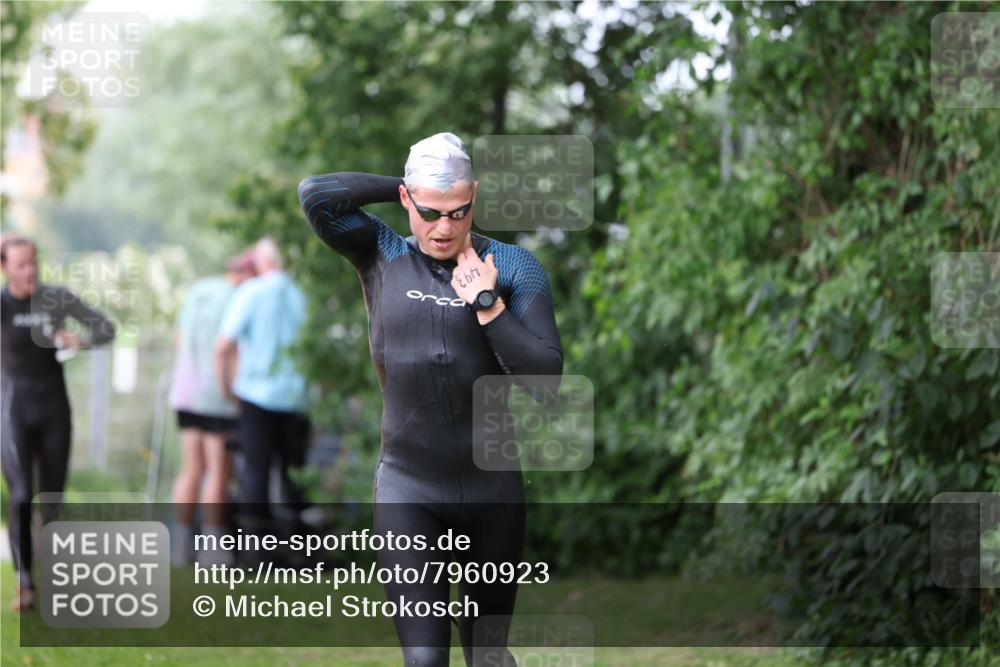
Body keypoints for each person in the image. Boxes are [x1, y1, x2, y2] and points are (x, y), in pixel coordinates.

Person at [297, 132, 563, 667]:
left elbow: (546, 381)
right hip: (408, 487)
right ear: (406, 200)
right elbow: (316, 193)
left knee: (486, 657)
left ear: (474, 199)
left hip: (492, 490)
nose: (445, 227)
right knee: (424, 661)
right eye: (430, 211)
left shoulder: (513, 267)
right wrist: (404, 181)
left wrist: (487, 305)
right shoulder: (380, 251)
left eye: (459, 212)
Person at [0, 236, 116, 611]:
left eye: (33, 261)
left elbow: (106, 329)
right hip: (13, 408)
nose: (30, 270)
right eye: (20, 264)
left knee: (51, 499)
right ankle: (25, 583)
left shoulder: (56, 299)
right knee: (21, 495)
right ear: (5, 268)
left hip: (54, 409)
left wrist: (77, 339)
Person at [168, 250, 256, 565]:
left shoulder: (199, 289)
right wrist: (231, 393)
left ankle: (179, 547)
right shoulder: (237, 297)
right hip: (216, 395)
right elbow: (229, 349)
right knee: (218, 470)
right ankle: (212, 549)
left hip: (185, 392)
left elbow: (178, 337)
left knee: (191, 468)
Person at [215, 237, 311, 523]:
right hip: (297, 397)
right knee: (295, 472)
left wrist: (227, 389)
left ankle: (257, 549)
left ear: (261, 262)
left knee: (256, 469)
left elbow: (222, 346)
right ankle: (299, 546)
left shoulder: (250, 292)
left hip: (256, 394)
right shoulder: (302, 293)